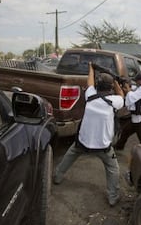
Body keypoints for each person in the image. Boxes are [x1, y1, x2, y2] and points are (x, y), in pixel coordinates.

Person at [53, 62, 124, 207]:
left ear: (97, 85)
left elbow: (89, 81)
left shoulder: (90, 96)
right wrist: (116, 81)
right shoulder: (114, 101)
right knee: (113, 169)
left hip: (82, 142)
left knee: (70, 155)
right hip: (103, 146)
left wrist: (91, 68)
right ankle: (113, 197)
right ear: (110, 87)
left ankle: (57, 177)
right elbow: (122, 95)